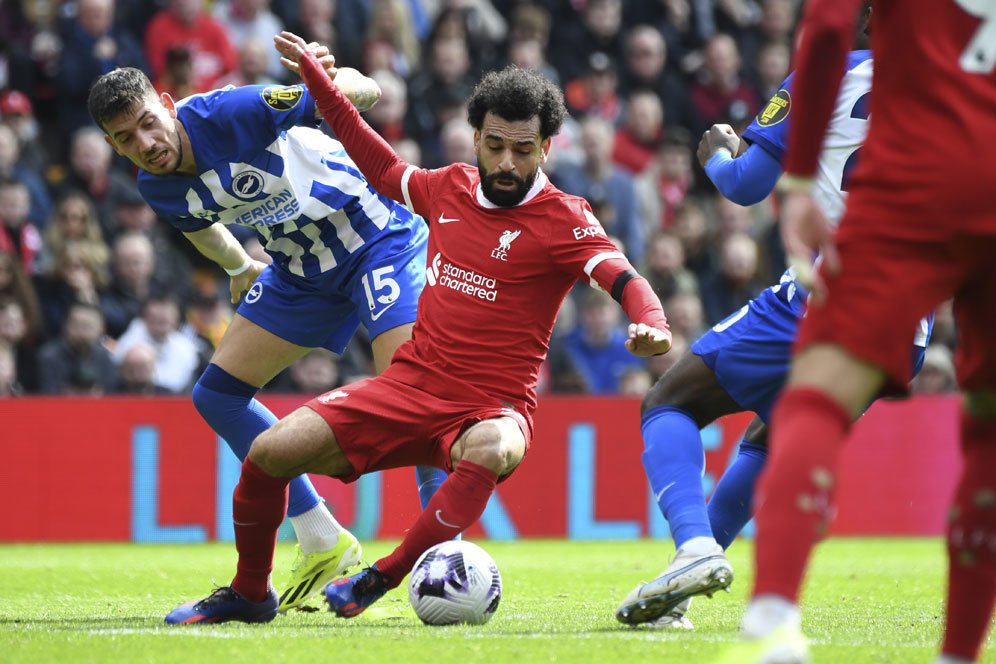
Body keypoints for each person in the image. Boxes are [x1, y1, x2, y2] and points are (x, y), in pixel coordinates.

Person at [160, 31, 672, 625]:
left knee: (494, 446)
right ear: (477, 137)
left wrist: (651, 323)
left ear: (547, 148)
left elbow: (624, 278)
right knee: (270, 453)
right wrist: (321, 87)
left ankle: (386, 573)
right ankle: (251, 593)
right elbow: (375, 158)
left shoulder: (564, 217)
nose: (508, 163)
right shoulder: (447, 186)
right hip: (406, 390)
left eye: (524, 150)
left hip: (492, 407)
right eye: (497, 145)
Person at [86, 56, 447, 613]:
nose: (146, 142)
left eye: (147, 122)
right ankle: (320, 537)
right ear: (113, 146)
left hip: (376, 237)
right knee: (217, 395)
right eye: (125, 138)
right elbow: (202, 228)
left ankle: (441, 557)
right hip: (299, 271)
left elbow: (362, 89)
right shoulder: (155, 186)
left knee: (415, 396)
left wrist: (334, 86)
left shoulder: (231, 111)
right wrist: (238, 267)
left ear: (165, 102)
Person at [616, 7, 930, 630]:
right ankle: (680, 590)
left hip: (826, 298)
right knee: (773, 433)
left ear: (867, 19)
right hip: (906, 327)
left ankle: (694, 546)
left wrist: (716, 154)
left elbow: (744, 186)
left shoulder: (829, 74)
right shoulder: (961, 94)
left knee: (669, 402)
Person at [719, 1, 996, 662]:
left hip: (917, 173)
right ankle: (959, 653)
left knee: (818, 392)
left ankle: (773, 622)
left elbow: (829, 28)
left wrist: (800, 180)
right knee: (989, 429)